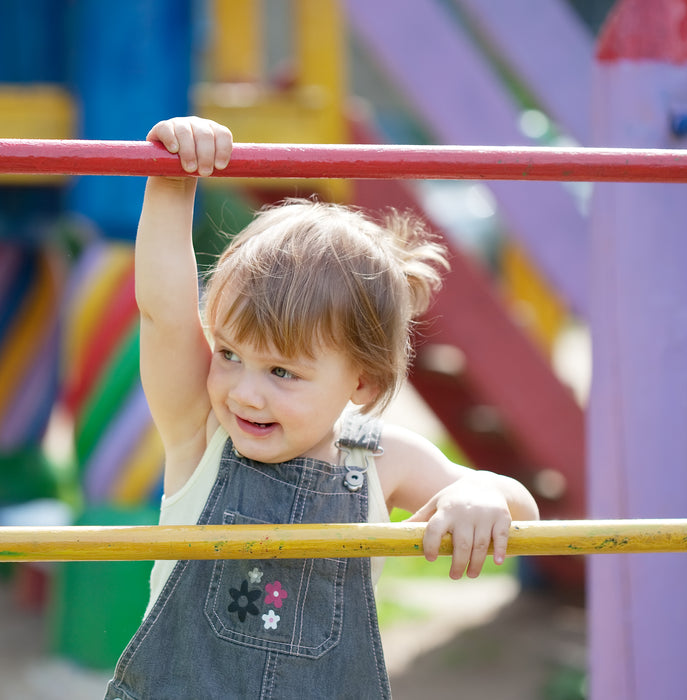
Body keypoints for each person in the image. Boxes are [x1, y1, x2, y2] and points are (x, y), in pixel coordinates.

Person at [105, 117, 539, 699]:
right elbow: (163, 310)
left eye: (283, 372)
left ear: (360, 382)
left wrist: (480, 494)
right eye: (230, 353)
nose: (245, 392)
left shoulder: (384, 459)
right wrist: (174, 181)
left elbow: (526, 514)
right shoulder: (201, 433)